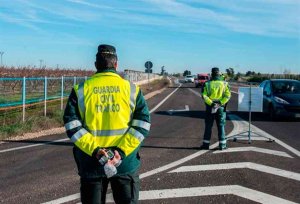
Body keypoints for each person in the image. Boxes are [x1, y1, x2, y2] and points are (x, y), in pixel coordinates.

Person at [63, 44, 151, 204]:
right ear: (116, 64)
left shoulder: (80, 90)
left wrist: (96, 151)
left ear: (96, 65)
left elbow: (72, 125)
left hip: (92, 163)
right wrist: (121, 152)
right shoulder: (132, 90)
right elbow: (143, 124)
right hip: (124, 163)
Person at [200, 67, 231, 150]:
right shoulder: (224, 84)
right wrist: (220, 103)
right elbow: (228, 95)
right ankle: (222, 145)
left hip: (210, 107)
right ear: (219, 73)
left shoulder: (207, 84)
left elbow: (204, 96)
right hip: (220, 107)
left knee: (208, 126)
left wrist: (212, 103)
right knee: (221, 126)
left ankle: (206, 145)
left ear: (212, 74)